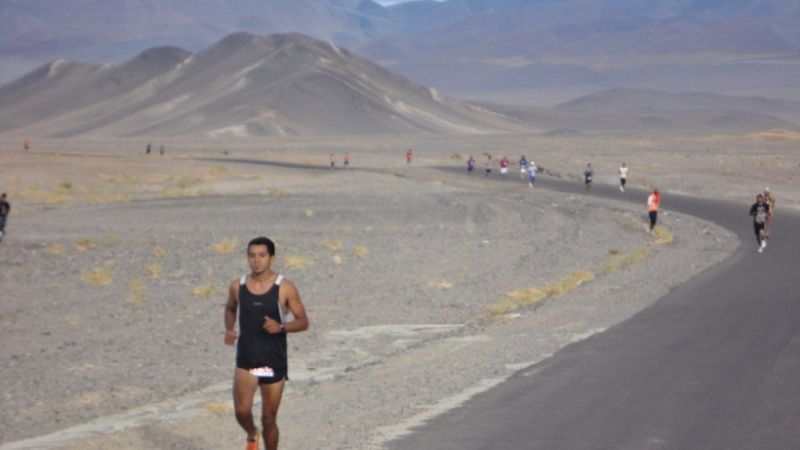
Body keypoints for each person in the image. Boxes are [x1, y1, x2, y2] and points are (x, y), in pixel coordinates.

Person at [225, 237, 310, 450]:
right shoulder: (238, 285)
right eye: (252, 255)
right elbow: (230, 308)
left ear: (271, 258)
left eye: (262, 256)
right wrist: (229, 328)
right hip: (247, 359)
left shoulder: (285, 287)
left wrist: (282, 327)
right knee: (242, 411)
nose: (256, 261)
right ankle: (252, 435)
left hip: (273, 360)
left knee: (268, 419)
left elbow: (303, 321)